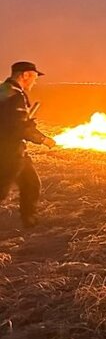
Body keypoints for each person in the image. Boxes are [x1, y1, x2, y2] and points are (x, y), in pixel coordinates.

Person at [0, 61, 56, 227]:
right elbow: (19, 127)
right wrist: (43, 139)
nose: (35, 81)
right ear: (24, 75)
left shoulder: (3, 90)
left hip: (13, 150)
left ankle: (30, 221)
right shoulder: (15, 95)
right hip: (9, 151)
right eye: (33, 77)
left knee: (31, 183)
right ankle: (29, 220)